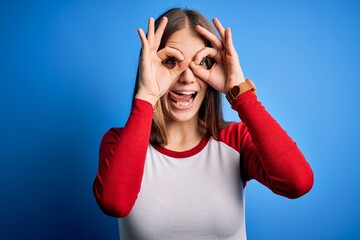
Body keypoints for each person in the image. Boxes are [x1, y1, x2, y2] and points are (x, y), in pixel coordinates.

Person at [93, 7, 314, 240]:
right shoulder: (118, 142)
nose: (187, 77)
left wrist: (240, 91)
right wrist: (147, 95)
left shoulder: (234, 140)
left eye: (202, 62)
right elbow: (114, 203)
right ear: (149, 66)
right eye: (170, 61)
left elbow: (297, 182)